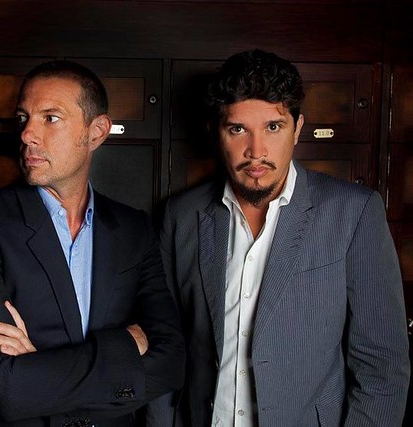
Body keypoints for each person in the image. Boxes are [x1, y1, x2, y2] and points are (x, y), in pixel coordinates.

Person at [153, 49, 410, 426]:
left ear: (297, 127)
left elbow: (382, 365)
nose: (256, 151)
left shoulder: (353, 212)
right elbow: (165, 343)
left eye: (273, 127)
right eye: (238, 129)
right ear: (215, 131)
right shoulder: (181, 215)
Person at [0, 59, 185, 426]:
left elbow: (171, 364)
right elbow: (7, 389)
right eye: (23, 118)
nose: (27, 134)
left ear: (97, 132)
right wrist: (125, 348)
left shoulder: (133, 229)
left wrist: (37, 369)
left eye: (51, 118)